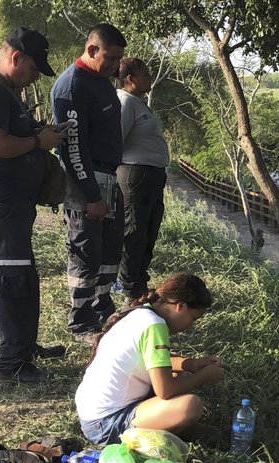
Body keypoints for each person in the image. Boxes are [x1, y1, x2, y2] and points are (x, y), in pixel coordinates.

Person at [0, 28, 68, 384]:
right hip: (0, 203)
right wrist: (39, 140)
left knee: (23, 277)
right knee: (11, 281)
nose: (35, 77)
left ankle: (24, 348)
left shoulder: (5, 92)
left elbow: (15, 134)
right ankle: (11, 365)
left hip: (13, 203)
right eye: (35, 69)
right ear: (16, 58)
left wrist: (44, 131)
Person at [74, 273, 225, 445]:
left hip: (93, 417)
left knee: (177, 374)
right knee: (191, 405)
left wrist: (191, 364)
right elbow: (165, 390)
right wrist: (202, 378)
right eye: (193, 319)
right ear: (180, 306)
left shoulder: (142, 312)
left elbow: (152, 359)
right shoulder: (155, 326)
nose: (190, 326)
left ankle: (174, 429)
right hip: (106, 423)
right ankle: (164, 433)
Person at [51, 23, 127, 343]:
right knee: (85, 250)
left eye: (118, 61)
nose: (114, 66)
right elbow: (73, 148)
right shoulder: (72, 86)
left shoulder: (101, 80)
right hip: (86, 180)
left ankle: (102, 306)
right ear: (92, 49)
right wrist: (92, 195)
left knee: (110, 247)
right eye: (109, 58)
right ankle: (80, 320)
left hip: (109, 175)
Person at [116, 57, 169, 302]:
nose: (149, 78)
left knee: (149, 229)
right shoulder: (125, 102)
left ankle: (139, 280)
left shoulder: (138, 102)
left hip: (152, 176)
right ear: (130, 79)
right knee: (134, 230)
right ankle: (130, 288)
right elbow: (117, 141)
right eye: (145, 74)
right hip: (136, 175)